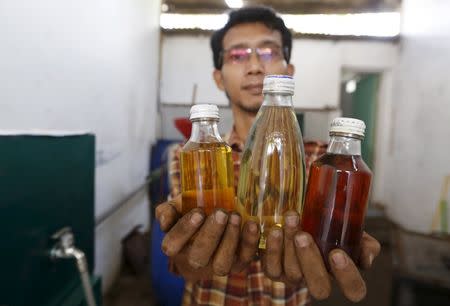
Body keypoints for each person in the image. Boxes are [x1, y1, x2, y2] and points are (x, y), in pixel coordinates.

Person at [156, 6, 381, 306]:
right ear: (218, 78)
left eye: (268, 52)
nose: (253, 66)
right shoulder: (185, 156)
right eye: (237, 55)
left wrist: (334, 250)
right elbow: (185, 265)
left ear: (288, 72)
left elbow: (336, 236)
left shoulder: (321, 161)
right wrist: (190, 256)